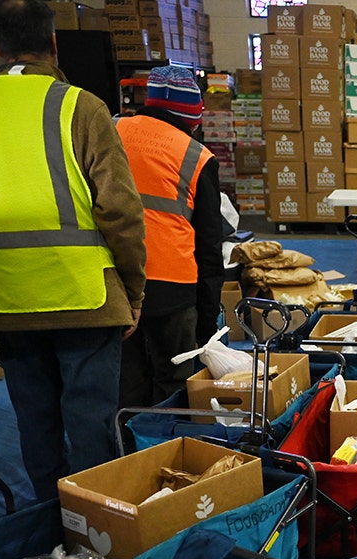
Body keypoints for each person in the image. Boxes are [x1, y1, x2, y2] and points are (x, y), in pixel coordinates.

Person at [0, 0, 146, 502]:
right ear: (53, 42)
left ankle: (50, 530)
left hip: (12, 299)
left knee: (36, 425)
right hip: (85, 295)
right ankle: (97, 537)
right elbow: (120, 212)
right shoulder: (81, 106)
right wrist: (133, 290)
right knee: (91, 426)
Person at [115, 65, 224, 409]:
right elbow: (209, 248)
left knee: (125, 378)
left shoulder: (111, 129)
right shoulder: (196, 156)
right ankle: (166, 447)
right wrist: (207, 323)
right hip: (173, 287)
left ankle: (128, 452)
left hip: (113, 277)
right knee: (174, 378)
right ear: (192, 115)